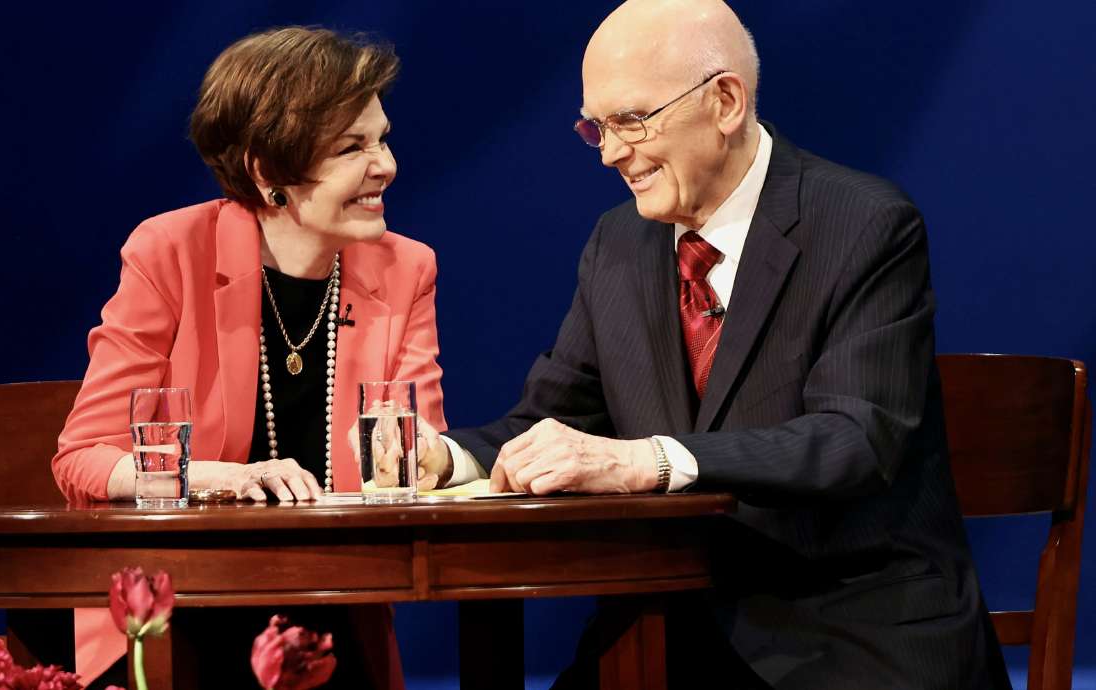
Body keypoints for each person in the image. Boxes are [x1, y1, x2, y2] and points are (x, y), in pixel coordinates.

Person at [419, 0, 1012, 687]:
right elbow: (554, 421)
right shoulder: (618, 244)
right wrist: (447, 457)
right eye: (596, 127)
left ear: (725, 102)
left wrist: (651, 460)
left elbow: (854, 439)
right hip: (668, 624)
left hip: (846, 628)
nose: (610, 152)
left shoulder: (864, 224)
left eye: (631, 120)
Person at [52, 26, 450, 690]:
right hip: (179, 610)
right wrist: (223, 478)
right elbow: (83, 458)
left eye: (382, 139)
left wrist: (426, 457)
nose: (385, 165)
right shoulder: (171, 252)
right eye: (352, 148)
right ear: (268, 172)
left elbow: (418, 454)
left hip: (330, 612)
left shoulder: (407, 269)